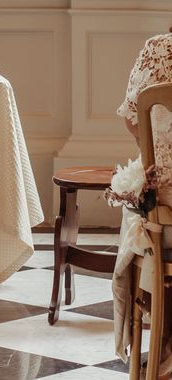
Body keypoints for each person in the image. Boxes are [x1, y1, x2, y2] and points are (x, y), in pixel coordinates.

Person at [113, 29, 172, 373]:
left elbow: (132, 119)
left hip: (168, 226)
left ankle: (163, 338)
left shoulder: (158, 48)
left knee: (147, 217)